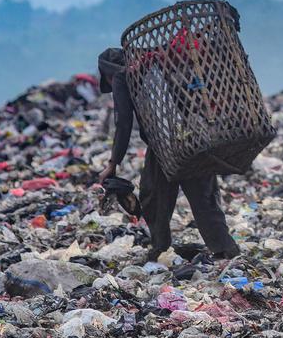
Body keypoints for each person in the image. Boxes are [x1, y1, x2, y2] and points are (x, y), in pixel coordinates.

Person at [96, 47, 241, 263]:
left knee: (153, 195)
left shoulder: (121, 76)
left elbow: (123, 123)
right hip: (192, 136)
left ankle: (160, 246)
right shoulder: (156, 70)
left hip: (163, 146)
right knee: (203, 194)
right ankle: (225, 249)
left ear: (107, 72)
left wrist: (113, 163)